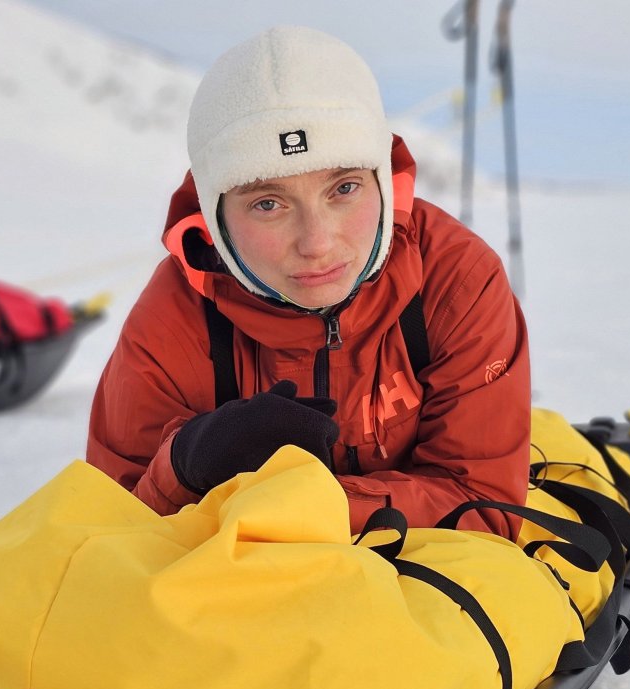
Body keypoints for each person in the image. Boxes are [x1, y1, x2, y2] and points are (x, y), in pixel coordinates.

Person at [87, 25, 530, 537]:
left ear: (383, 182)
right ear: (215, 216)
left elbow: (485, 506)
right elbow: (115, 538)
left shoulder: (455, 281)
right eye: (268, 203)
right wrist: (184, 464)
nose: (316, 243)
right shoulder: (173, 320)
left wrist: (302, 500)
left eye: (344, 188)